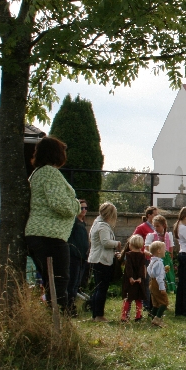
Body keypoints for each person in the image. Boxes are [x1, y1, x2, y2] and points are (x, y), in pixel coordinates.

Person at [25, 136, 81, 311]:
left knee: (51, 282)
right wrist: (76, 205)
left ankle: (53, 318)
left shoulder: (37, 173)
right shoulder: (50, 173)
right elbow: (60, 204)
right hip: (50, 236)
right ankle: (60, 320)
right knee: (59, 282)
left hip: (38, 235)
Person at [88, 202, 121, 322]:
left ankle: (95, 314)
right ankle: (99, 315)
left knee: (98, 288)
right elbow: (105, 242)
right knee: (102, 288)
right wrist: (117, 244)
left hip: (95, 258)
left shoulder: (96, 223)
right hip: (102, 260)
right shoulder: (103, 226)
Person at [66, 199, 90, 315]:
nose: (84, 210)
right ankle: (70, 307)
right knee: (72, 283)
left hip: (82, 257)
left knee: (77, 283)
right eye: (81, 208)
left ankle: (72, 305)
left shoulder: (83, 222)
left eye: (86, 208)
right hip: (74, 256)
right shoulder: (73, 222)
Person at [145, 215, 176, 292]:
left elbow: (171, 250)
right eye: (154, 226)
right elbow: (146, 249)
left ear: (164, 225)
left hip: (166, 260)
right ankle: (158, 291)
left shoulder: (168, 235)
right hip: (156, 260)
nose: (156, 228)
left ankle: (165, 290)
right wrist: (151, 254)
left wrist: (170, 260)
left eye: (158, 226)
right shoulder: (151, 236)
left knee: (166, 277)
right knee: (157, 278)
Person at [121, 234, 147, 322]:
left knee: (128, 298)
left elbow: (128, 267)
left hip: (130, 280)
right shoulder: (142, 255)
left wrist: (130, 277)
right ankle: (138, 316)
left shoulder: (128, 255)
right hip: (139, 280)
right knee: (138, 298)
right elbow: (142, 267)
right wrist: (140, 277)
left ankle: (124, 316)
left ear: (131, 245)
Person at [147, 241, 169, 328]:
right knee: (164, 302)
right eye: (164, 249)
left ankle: (153, 319)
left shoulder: (152, 261)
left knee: (156, 303)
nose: (165, 251)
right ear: (159, 251)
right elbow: (159, 278)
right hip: (157, 283)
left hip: (151, 282)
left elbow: (150, 271)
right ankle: (157, 319)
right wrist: (162, 288)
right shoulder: (159, 263)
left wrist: (163, 271)